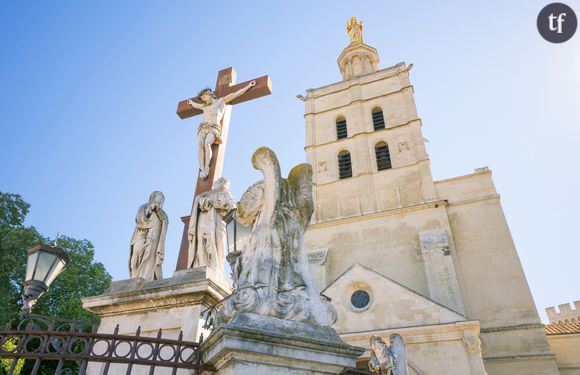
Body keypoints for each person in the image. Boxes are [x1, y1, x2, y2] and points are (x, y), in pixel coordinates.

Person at [187, 81, 256, 179]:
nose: (203, 100)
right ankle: (201, 168)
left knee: (207, 143)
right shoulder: (204, 106)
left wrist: (249, 86)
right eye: (202, 99)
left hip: (213, 127)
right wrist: (190, 102)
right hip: (203, 127)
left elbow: (236, 94)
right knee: (200, 143)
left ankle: (207, 167)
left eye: (204, 97)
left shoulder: (221, 101)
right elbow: (195, 105)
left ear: (209, 95)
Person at [188, 177, 235, 272]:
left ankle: (216, 268)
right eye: (223, 183)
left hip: (218, 221)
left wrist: (217, 204)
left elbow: (232, 207)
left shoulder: (225, 193)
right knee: (202, 241)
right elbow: (199, 203)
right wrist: (205, 201)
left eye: (226, 184)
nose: (224, 186)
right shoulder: (205, 195)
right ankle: (201, 265)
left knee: (219, 244)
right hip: (204, 221)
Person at [129, 191, 168, 280]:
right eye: (157, 200)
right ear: (152, 198)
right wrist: (149, 210)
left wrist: (158, 211)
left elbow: (165, 220)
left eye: (160, 202)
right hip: (141, 231)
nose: (158, 203)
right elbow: (139, 218)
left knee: (150, 254)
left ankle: (146, 276)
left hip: (153, 236)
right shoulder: (143, 207)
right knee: (136, 252)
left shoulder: (161, 212)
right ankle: (134, 276)